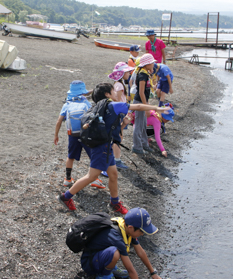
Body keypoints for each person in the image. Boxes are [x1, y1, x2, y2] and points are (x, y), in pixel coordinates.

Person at [57, 83, 171, 214]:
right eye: (113, 91)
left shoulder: (99, 107)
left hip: (104, 145)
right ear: (107, 94)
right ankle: (65, 197)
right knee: (92, 176)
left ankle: (115, 203)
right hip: (102, 147)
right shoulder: (115, 105)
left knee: (113, 174)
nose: (116, 93)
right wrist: (157, 108)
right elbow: (138, 106)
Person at [80, 207, 166, 279]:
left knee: (114, 252)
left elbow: (141, 252)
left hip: (99, 255)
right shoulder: (117, 237)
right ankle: (104, 276)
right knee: (115, 253)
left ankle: (110, 267)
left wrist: (153, 272)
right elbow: (130, 270)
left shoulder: (126, 228)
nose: (143, 234)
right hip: (89, 263)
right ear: (130, 227)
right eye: (141, 231)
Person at [54, 81, 104, 189]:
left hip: (72, 134)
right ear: (83, 93)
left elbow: (59, 121)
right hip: (86, 134)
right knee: (93, 156)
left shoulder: (67, 104)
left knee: (70, 156)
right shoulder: (86, 103)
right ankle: (95, 179)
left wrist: (56, 135)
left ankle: (67, 179)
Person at [108, 62, 134, 170]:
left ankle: (114, 157)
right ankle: (116, 160)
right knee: (118, 136)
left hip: (120, 113)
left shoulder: (119, 83)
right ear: (122, 73)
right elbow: (117, 100)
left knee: (119, 134)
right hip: (119, 113)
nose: (129, 73)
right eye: (127, 72)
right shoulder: (119, 85)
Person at [131, 54, 156, 155]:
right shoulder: (142, 75)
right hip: (140, 103)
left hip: (143, 102)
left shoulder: (145, 73)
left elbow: (145, 91)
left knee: (143, 124)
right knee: (139, 125)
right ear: (147, 64)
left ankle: (144, 144)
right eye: (152, 62)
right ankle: (137, 146)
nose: (154, 64)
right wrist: (146, 107)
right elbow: (141, 92)